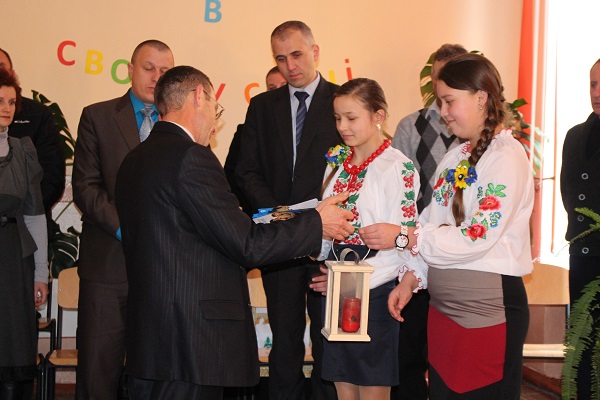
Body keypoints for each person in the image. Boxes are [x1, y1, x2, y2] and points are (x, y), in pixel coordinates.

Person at [113, 65, 354, 399]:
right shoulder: (192, 158)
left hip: (150, 343)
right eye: (217, 109)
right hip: (191, 345)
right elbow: (247, 245)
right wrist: (316, 222)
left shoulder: (133, 160)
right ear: (199, 96)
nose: (215, 123)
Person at [362, 53, 534, 399]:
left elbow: (476, 236)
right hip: (444, 314)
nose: (443, 112)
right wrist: (411, 280)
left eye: (449, 101)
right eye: (440, 102)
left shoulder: (506, 155)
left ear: (481, 97)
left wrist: (404, 236)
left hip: (487, 312)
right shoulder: (455, 156)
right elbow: (432, 223)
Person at [235, 20, 341, 400]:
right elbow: (245, 170)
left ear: (315, 52)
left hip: (330, 241)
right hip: (280, 243)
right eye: (280, 59)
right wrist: (279, 212)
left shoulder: (342, 101)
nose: (290, 66)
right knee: (284, 343)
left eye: (296, 55)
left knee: (329, 341)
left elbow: (356, 168)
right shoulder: (262, 106)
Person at [72, 39, 174, 399]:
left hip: (163, 269)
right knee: (98, 373)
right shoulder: (97, 117)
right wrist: (128, 231)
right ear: (130, 70)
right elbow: (86, 188)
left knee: (156, 374)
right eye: (149, 68)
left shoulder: (179, 123)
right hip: (108, 266)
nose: (156, 77)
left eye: (165, 71)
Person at [314, 78, 426, 400]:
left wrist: (354, 281)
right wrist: (323, 259)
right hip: (340, 288)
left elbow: (406, 240)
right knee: (343, 386)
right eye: (337, 118)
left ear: (378, 116)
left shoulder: (397, 167)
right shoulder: (337, 166)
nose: (342, 126)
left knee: (372, 388)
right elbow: (329, 231)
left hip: (376, 290)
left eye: (351, 118)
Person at [390, 43, 467, 400]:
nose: (440, 86)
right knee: (410, 353)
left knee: (451, 360)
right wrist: (406, 246)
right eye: (436, 78)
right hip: (419, 256)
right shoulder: (411, 126)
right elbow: (399, 195)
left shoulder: (492, 143)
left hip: (462, 265)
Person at [0, 68, 48, 399]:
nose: (6, 108)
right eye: (0, 101)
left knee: (14, 345)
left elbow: (34, 216)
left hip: (15, 260)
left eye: (11, 102)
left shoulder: (23, 150)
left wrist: (41, 274)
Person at [560, 58, 600, 400]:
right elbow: (568, 191)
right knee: (583, 345)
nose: (597, 92)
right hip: (583, 254)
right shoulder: (575, 136)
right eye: (593, 84)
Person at [0, 48, 65, 222]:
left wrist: (18, 215)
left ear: (12, 74)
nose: (7, 109)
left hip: (24, 222)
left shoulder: (37, 115)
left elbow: (52, 177)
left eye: (1, 67)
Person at [224, 66, 287, 214]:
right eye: (272, 88)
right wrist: (263, 206)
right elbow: (233, 176)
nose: (278, 92)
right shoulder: (246, 131)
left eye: (284, 86)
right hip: (258, 216)